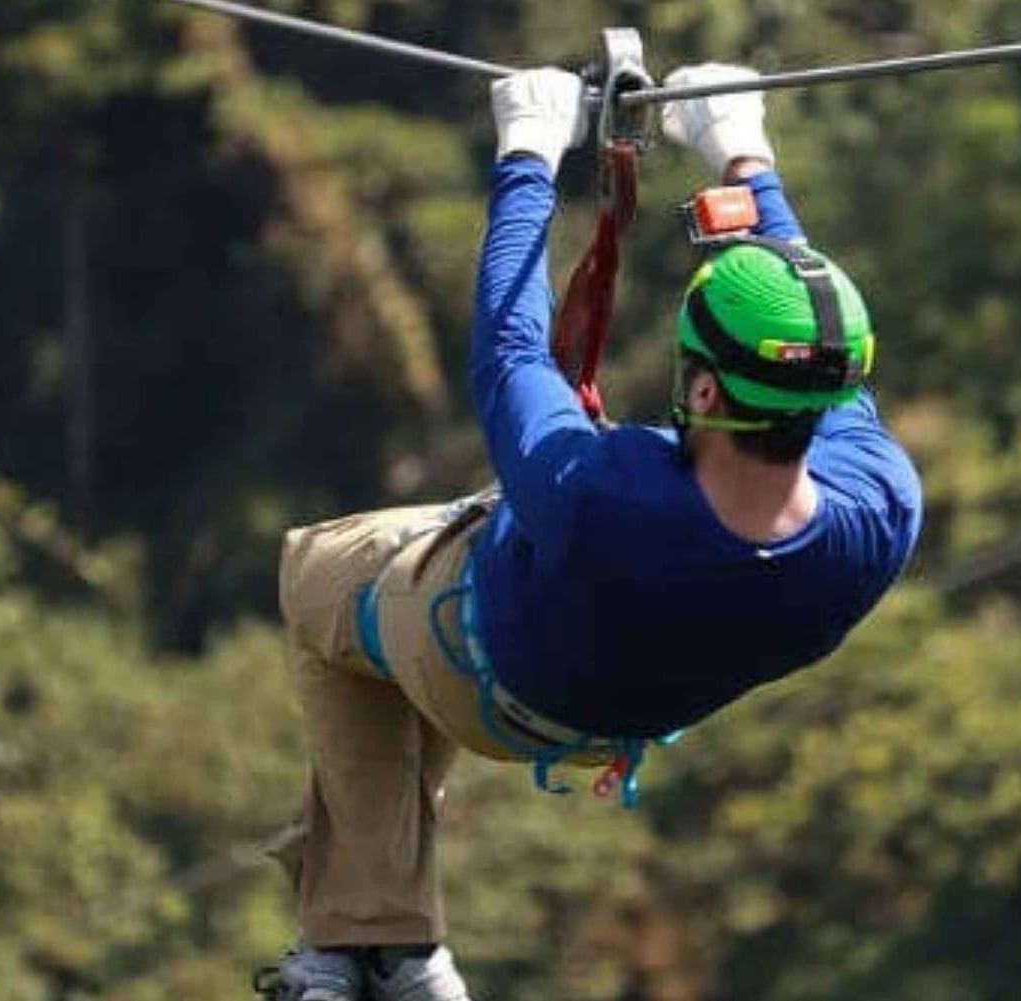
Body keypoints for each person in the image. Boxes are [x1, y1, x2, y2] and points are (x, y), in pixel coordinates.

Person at [261, 63, 923, 1001]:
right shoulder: (879, 509)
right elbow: (816, 346)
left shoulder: (598, 493)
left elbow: (510, 350)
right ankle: (377, 948)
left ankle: (377, 938)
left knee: (318, 575)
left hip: (479, 669)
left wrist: (527, 156)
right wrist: (743, 153)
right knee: (405, 600)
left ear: (702, 389)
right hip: (615, 716)